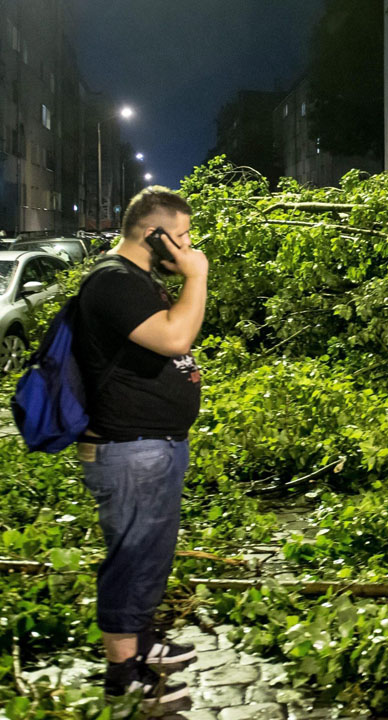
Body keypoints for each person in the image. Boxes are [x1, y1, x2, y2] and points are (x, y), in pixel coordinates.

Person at [75, 186, 208, 706]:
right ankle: (122, 673)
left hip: (154, 445)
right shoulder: (112, 280)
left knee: (151, 553)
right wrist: (196, 276)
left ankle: (143, 641)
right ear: (154, 235)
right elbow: (176, 339)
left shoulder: (137, 279)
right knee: (130, 558)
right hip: (129, 447)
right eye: (183, 236)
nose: (189, 246)